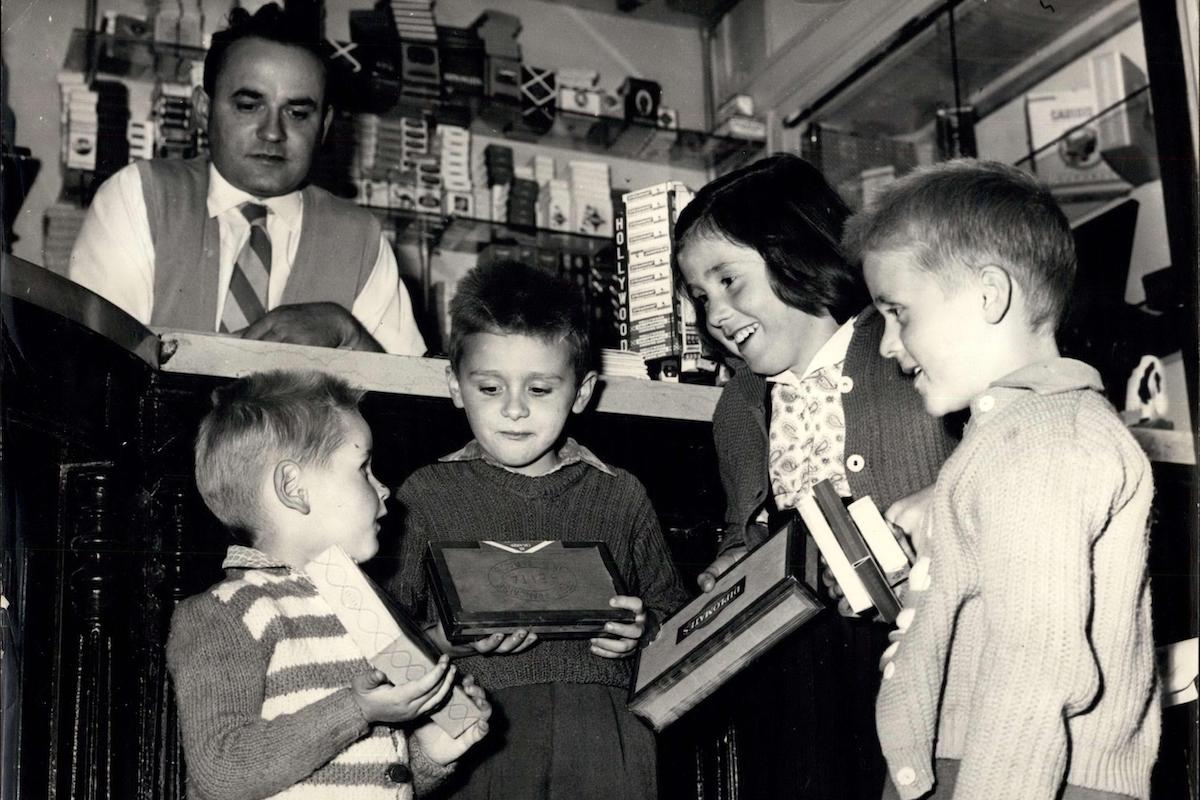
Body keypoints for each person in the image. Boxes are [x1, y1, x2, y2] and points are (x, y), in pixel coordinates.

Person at [845, 160, 1159, 800]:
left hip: (1025, 775)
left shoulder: (1044, 445)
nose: (886, 345)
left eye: (900, 313)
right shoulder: (1014, 438)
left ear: (990, 295)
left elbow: (1035, 669)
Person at [673, 153, 958, 799]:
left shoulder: (901, 347)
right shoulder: (740, 404)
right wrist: (731, 566)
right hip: (798, 656)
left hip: (916, 641)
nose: (715, 312)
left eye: (729, 281)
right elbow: (742, 525)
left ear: (795, 251)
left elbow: (992, 460)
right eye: (700, 295)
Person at [385, 261, 688, 799]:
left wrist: (644, 632)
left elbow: (676, 617)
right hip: (476, 729)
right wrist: (447, 643)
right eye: (490, 386)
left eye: (541, 389)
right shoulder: (425, 495)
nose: (515, 408)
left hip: (605, 730)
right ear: (455, 386)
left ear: (581, 391)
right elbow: (385, 645)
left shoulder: (620, 494)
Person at [167, 370, 489, 799]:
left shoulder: (358, 601)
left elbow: (368, 777)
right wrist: (357, 708)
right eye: (364, 468)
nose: (384, 487)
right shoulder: (229, 612)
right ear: (293, 487)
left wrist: (432, 749)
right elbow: (222, 772)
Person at [68, 4, 426, 354]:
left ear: (325, 127)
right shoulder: (140, 197)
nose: (273, 132)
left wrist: (349, 334)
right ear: (203, 110)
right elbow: (97, 368)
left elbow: (410, 405)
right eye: (249, 105)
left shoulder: (359, 238)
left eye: (298, 113)